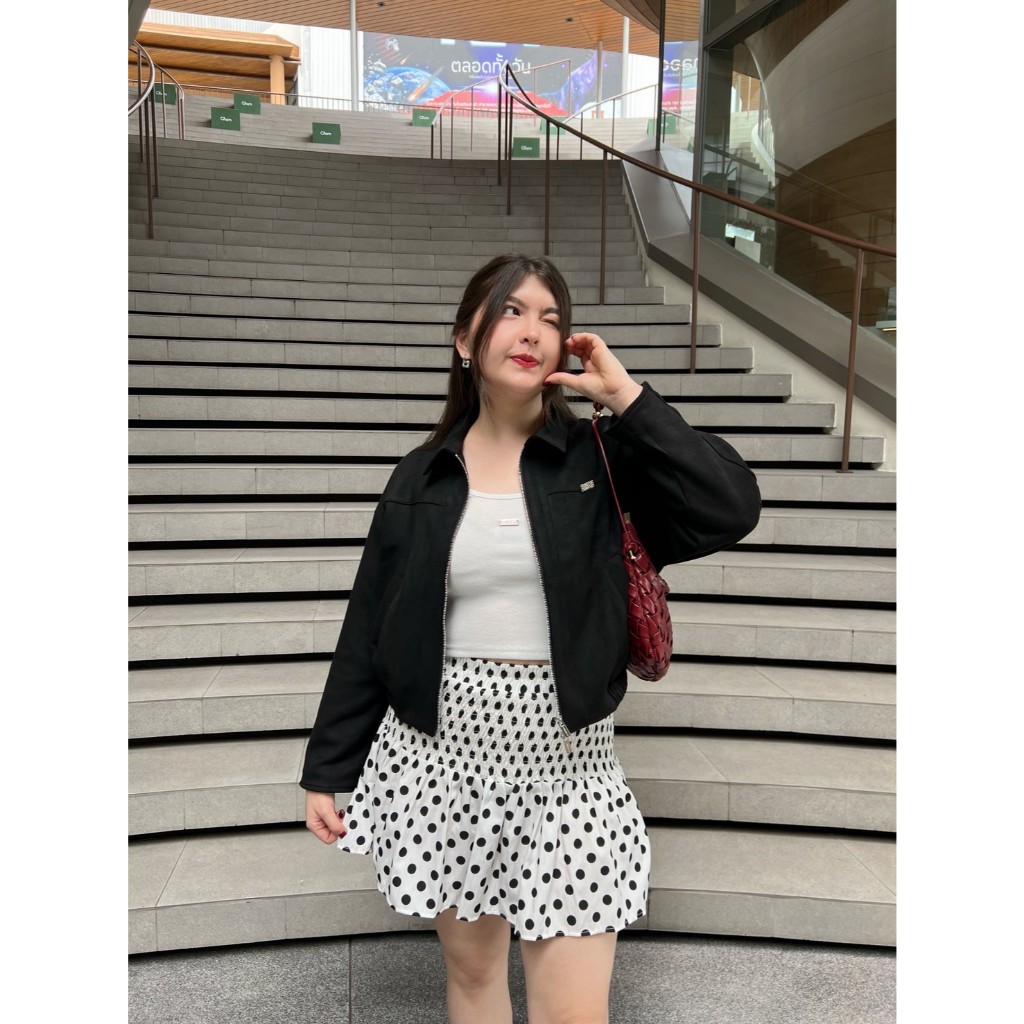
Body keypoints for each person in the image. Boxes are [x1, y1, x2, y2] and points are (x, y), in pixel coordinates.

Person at [301, 252, 761, 1023]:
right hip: (444, 771)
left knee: (572, 1013)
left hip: (570, 780)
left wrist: (627, 399)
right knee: (474, 978)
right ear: (464, 340)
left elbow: (731, 505)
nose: (532, 331)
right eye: (512, 311)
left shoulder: (602, 460)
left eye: (550, 317)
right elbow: (369, 625)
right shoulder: (420, 476)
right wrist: (328, 768)